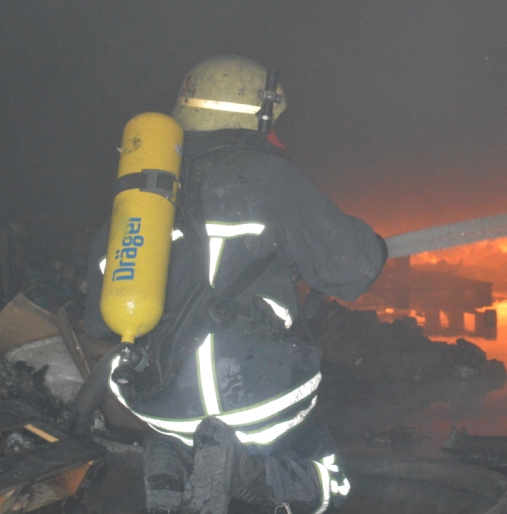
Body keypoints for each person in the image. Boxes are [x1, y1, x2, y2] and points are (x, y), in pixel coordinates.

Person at [84, 55, 387, 513]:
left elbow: (98, 321)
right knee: (331, 480)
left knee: (185, 430)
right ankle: (247, 472)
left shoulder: (140, 202)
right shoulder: (265, 177)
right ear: (255, 115)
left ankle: (170, 462)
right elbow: (352, 268)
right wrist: (374, 248)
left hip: (151, 399)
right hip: (247, 398)